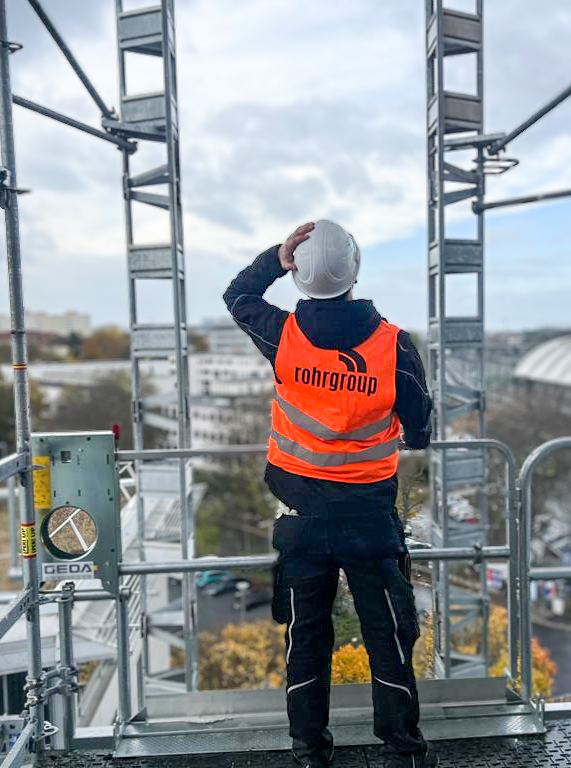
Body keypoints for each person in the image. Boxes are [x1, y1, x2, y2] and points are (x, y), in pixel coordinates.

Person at [223, 220, 435, 768]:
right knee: (388, 635)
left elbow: (238, 294)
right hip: (369, 518)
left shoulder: (283, 335)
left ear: (299, 275)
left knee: (306, 639)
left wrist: (277, 256)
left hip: (303, 520)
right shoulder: (394, 346)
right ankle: (403, 752)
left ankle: (309, 752)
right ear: (355, 270)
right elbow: (422, 428)